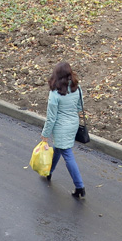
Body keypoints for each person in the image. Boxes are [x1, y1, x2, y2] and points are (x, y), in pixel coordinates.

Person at [41, 61, 87, 199]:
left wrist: (45, 134)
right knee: (59, 148)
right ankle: (49, 171)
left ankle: (80, 187)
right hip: (73, 124)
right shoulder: (77, 88)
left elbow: (51, 118)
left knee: (66, 153)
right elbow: (80, 107)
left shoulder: (55, 94)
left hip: (61, 127)